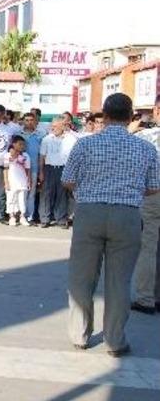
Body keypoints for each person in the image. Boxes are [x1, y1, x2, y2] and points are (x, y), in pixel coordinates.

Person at [62, 93, 160, 357]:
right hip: (127, 216)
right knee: (119, 281)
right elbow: (153, 187)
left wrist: (88, 190)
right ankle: (115, 341)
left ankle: (79, 334)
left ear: (104, 116)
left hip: (89, 213)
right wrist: (129, 191)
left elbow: (68, 180)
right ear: (130, 117)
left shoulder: (84, 144)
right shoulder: (145, 148)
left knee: (81, 278)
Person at [128, 95, 160, 315]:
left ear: (157, 110)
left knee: (148, 245)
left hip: (153, 193)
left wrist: (130, 129)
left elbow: (118, 143)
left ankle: (145, 297)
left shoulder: (147, 136)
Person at [38, 116, 76, 228]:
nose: (52, 128)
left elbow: (74, 157)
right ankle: (44, 219)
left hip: (64, 168)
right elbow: (42, 157)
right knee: (46, 194)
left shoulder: (71, 139)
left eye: (55, 126)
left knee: (62, 194)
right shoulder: (47, 139)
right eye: (52, 126)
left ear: (62, 126)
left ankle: (61, 219)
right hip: (49, 168)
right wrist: (41, 172)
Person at [19, 112, 44, 224]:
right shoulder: (18, 134)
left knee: (31, 194)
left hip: (34, 168)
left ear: (35, 121)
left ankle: (29, 216)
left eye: (31, 120)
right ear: (23, 121)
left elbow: (42, 154)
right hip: (19, 169)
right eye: (27, 120)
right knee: (20, 192)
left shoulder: (40, 135)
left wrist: (41, 171)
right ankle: (20, 215)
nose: (29, 122)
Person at [4, 135, 32, 227]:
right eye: (20, 144)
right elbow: (5, 169)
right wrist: (6, 182)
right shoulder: (7, 155)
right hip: (12, 181)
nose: (22, 146)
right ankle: (12, 217)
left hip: (22, 181)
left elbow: (28, 170)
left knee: (22, 200)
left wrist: (28, 181)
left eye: (23, 144)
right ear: (14, 144)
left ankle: (22, 217)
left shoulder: (26, 156)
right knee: (11, 199)